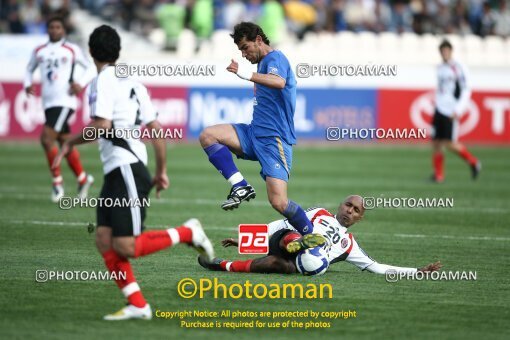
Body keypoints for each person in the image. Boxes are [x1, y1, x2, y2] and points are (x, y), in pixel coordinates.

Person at [53, 25, 215, 320]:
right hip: (122, 170)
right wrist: (161, 170)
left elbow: (101, 127)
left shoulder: (100, 82)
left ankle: (188, 231)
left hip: (126, 167)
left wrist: (68, 143)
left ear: (91, 52)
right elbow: (156, 130)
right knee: (104, 240)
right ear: (117, 51)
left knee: (126, 245)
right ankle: (138, 305)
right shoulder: (134, 84)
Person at [199, 22, 317, 241]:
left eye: (245, 48)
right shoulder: (262, 65)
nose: (244, 54)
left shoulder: (276, 59)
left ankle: (313, 237)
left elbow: (279, 82)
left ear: (259, 40)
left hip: (275, 141)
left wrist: (245, 74)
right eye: (241, 50)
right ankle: (240, 186)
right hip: (254, 134)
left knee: (279, 202)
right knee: (208, 135)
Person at [199, 195, 442, 275]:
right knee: (289, 233)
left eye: (356, 210)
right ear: (341, 205)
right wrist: (244, 241)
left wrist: (416, 271)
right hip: (285, 242)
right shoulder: (319, 213)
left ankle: (222, 265)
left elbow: (376, 267)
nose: (349, 210)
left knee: (273, 264)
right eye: (348, 205)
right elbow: (277, 224)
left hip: (303, 265)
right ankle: (303, 244)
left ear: (359, 218)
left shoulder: (349, 245)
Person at [24, 16, 95, 202]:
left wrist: (80, 83)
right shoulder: (39, 51)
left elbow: (91, 67)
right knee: (65, 141)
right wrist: (27, 83)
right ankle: (83, 178)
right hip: (48, 102)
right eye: (51, 27)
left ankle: (57, 183)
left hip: (65, 101)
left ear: (63, 30)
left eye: (58, 27)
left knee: (47, 139)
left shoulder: (71, 49)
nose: (55, 30)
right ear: (47, 30)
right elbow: (29, 69)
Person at [431, 39, 481, 183]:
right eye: (442, 50)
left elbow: (466, 89)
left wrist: (458, 109)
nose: (444, 53)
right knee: (436, 143)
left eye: (447, 50)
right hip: (439, 109)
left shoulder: (459, 67)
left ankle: (473, 162)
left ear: (451, 51)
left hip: (451, 110)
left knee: (449, 143)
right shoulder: (440, 67)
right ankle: (439, 175)